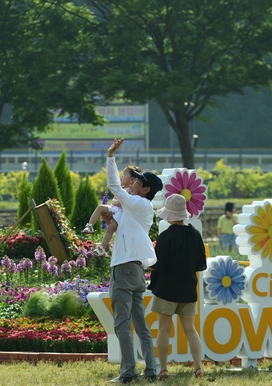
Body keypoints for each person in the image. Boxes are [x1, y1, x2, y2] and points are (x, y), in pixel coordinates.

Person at [102, 138, 163, 384]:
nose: (133, 182)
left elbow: (113, 186)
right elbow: (118, 219)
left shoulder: (137, 202)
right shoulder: (138, 206)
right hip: (136, 271)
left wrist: (110, 156)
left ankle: (128, 373)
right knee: (141, 325)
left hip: (125, 269)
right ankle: (150, 370)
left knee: (121, 324)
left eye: (137, 181)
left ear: (146, 189)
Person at [149, 194, 207, 380]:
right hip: (188, 289)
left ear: (169, 215)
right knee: (190, 329)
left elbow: (158, 264)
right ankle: (198, 367)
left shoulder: (166, 236)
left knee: (164, 329)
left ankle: (164, 369)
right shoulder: (195, 235)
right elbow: (200, 263)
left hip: (166, 289)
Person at [81, 165, 142, 255]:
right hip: (114, 209)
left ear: (132, 179)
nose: (122, 176)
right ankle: (90, 226)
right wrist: (117, 201)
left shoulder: (133, 190)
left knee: (111, 228)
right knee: (100, 207)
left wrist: (120, 201)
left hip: (120, 214)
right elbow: (114, 200)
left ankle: (102, 247)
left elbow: (128, 202)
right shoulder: (122, 189)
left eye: (125, 174)